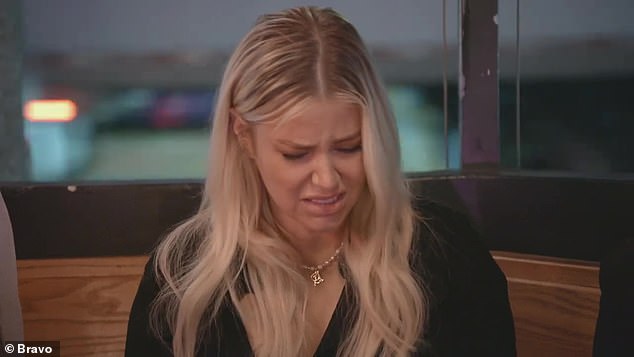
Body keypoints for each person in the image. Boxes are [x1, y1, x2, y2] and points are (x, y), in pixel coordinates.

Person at [125, 6, 516, 357]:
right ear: (243, 137)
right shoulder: (183, 279)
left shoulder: (443, 256)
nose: (328, 179)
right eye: (296, 154)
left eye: (349, 147)